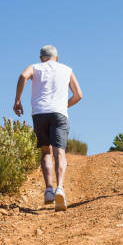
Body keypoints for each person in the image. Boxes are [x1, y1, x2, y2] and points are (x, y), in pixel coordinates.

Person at [14, 45, 82, 211]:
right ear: (57, 58)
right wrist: (64, 106)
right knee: (60, 153)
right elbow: (78, 95)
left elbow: (23, 76)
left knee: (46, 152)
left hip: (39, 114)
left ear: (41, 58)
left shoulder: (35, 68)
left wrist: (17, 101)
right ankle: (60, 188)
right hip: (59, 114)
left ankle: (49, 191)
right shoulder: (67, 69)